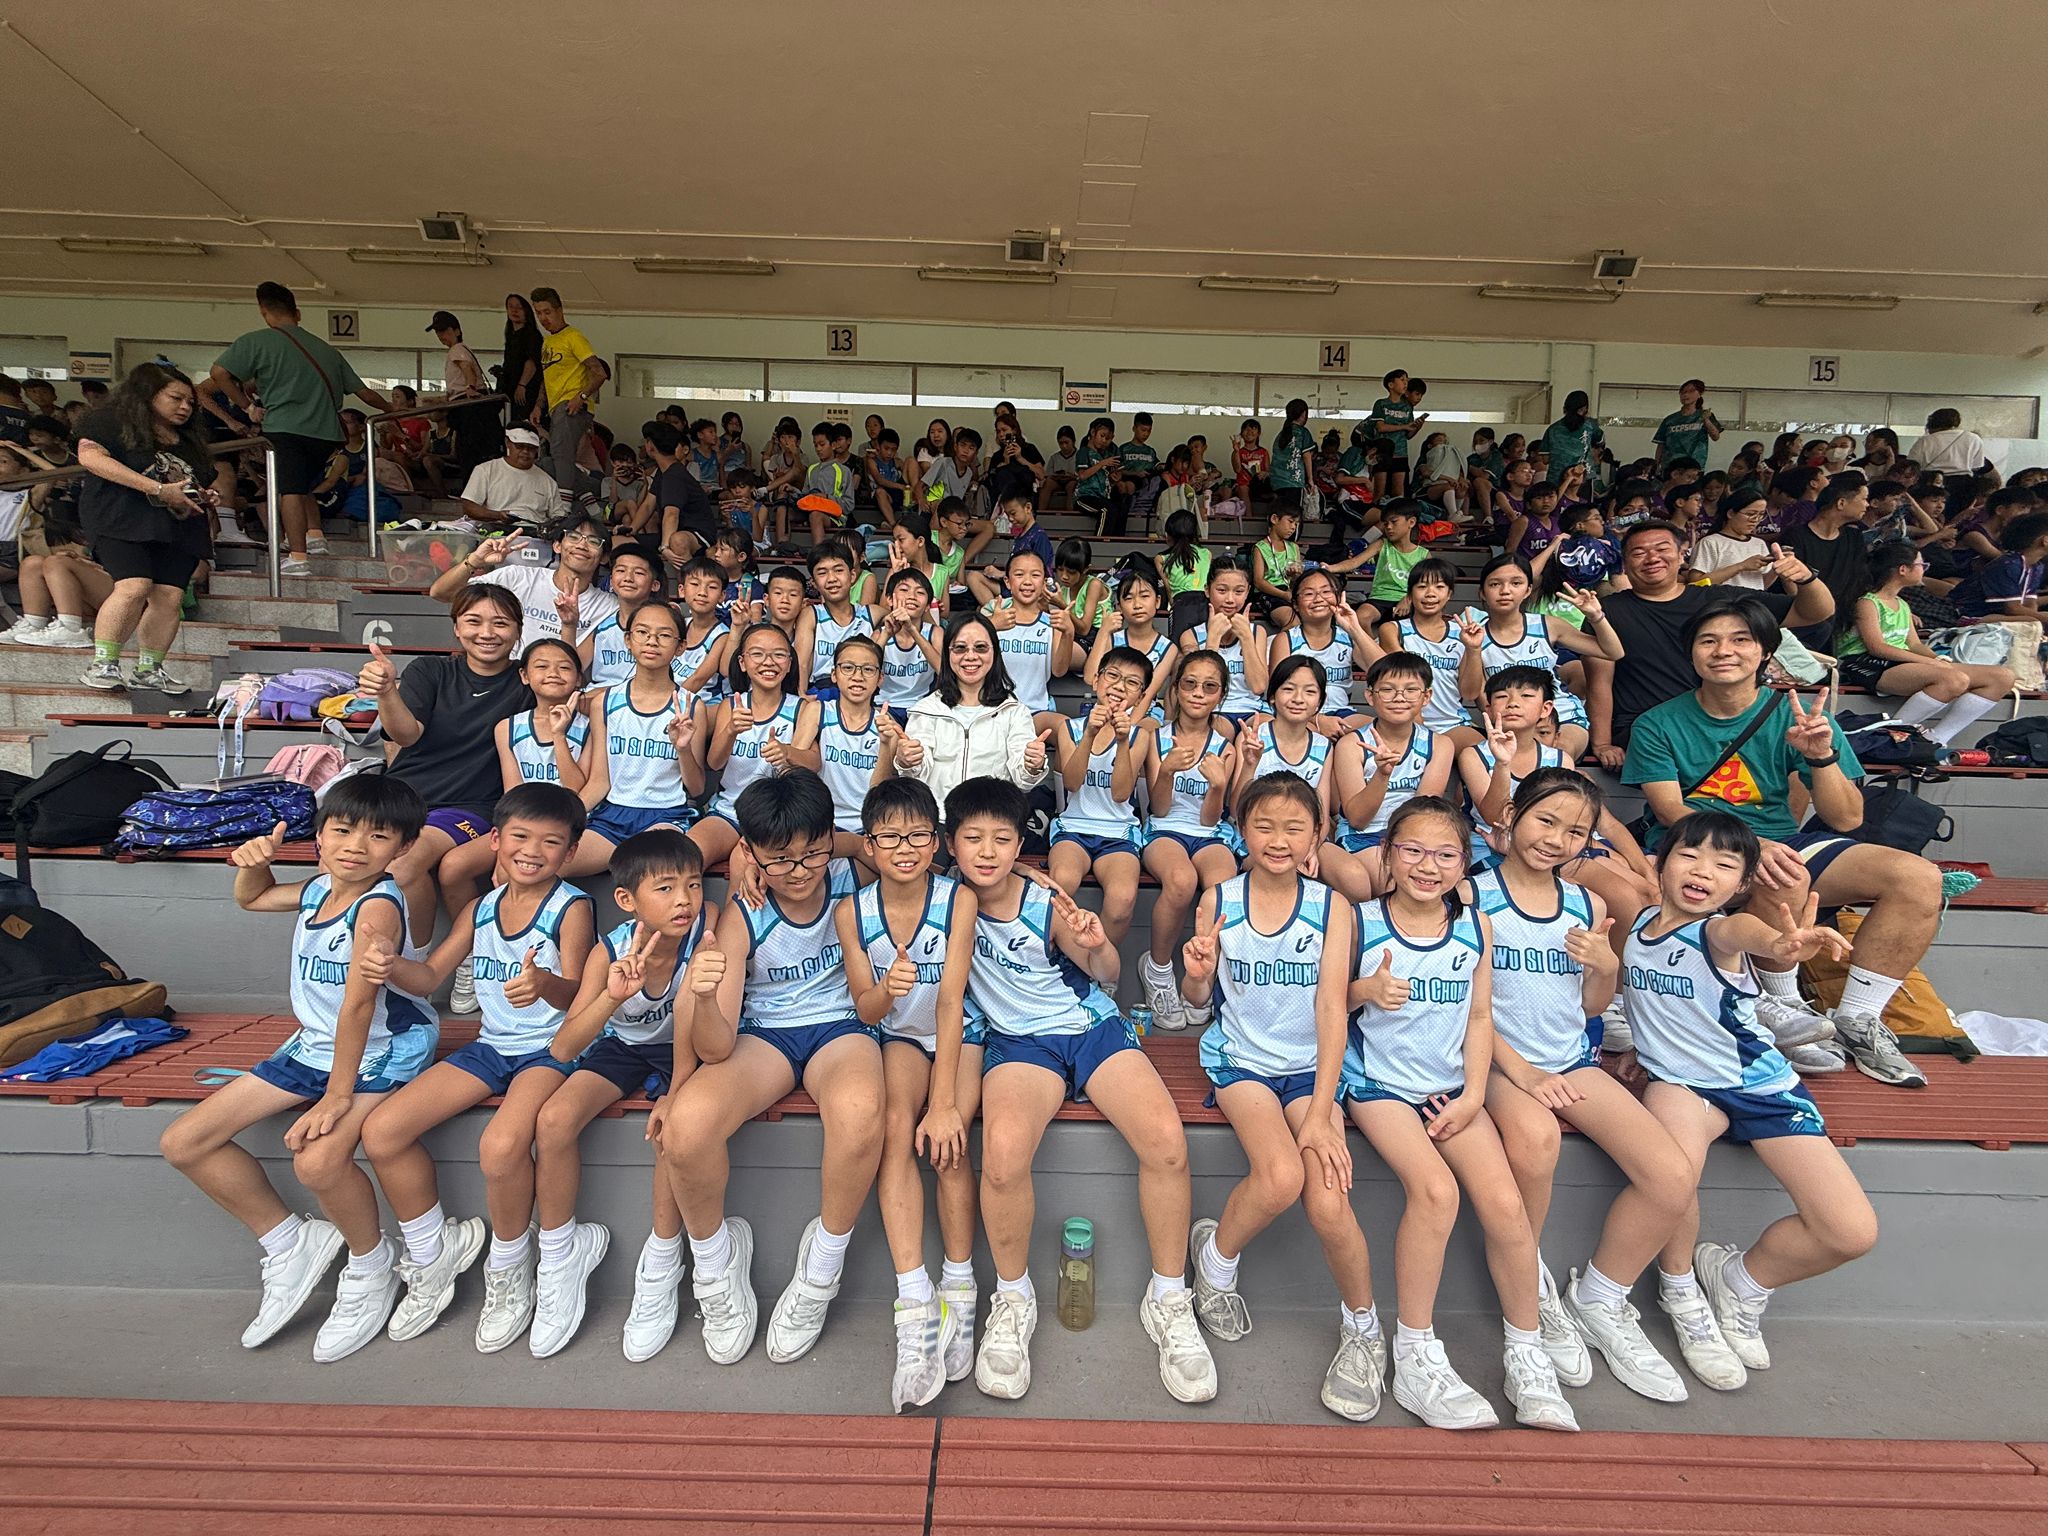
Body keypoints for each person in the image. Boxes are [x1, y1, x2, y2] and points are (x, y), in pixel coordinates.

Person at [945, 775, 1218, 1404]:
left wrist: (1098, 949)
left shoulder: (1047, 900)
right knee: (1003, 1157)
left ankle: (1169, 1297)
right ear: (950, 844)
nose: (987, 851)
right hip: (1020, 1043)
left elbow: (1107, 973)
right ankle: (1013, 1299)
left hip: (1088, 1026)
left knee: (1167, 1142)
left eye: (1002, 839)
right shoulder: (943, 898)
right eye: (973, 838)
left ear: (1021, 845)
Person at [158, 777, 436, 1362]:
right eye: (342, 830)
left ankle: (371, 1265)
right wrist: (253, 864)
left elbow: (360, 1006)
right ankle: (290, 1241)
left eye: (378, 836)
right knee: (185, 1142)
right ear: (319, 835)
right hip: (314, 1044)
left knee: (318, 1161)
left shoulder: (377, 907)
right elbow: (254, 899)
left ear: (404, 847)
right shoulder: (318, 888)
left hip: (384, 1046)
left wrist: (336, 1097)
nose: (355, 846)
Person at [1623, 598, 1941, 1087]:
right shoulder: (1658, 723)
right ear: (1691, 653)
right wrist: (1752, 847)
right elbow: (1671, 811)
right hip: (1694, 845)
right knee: (1783, 870)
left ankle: (1858, 1018)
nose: (1723, 651)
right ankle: (1781, 1005)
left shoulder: (1796, 716)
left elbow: (1848, 817)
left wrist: (1820, 756)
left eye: (1740, 640)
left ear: (1766, 652)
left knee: (1918, 878)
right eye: (1709, 641)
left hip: (1783, 839)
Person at [1342, 796, 1578, 1431]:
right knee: (1437, 1192)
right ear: (1387, 855)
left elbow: (1479, 1017)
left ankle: (1525, 1350)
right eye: (1413, 851)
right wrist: (1365, 990)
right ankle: (1416, 1350)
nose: (1429, 866)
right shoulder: (1360, 919)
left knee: (1506, 1207)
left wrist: (1475, 1094)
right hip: (1378, 1085)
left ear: (1465, 862)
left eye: (1446, 854)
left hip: (1450, 1086)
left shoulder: (1475, 926)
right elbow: (1328, 1003)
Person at [1617, 811, 1878, 1382]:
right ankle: (1681, 1291)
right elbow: (1651, 999)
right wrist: (1638, 1045)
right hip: (1681, 1084)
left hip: (1760, 1085)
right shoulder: (1635, 926)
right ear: (1660, 864)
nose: (1702, 871)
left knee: (1850, 1231)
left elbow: (1748, 936)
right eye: (1689, 855)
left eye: (1724, 864)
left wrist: (1782, 944)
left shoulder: (1721, 930)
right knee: (1673, 1176)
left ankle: (1740, 1281)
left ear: (1741, 885)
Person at [1470, 770, 1705, 1400]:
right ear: (1511, 815)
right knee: (1536, 1142)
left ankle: (1601, 1295)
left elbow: (1591, 1005)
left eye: (1575, 832)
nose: (1557, 839)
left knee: (1672, 1177)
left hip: (1570, 1059)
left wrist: (1606, 968)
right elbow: (1463, 1008)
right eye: (1545, 820)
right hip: (1494, 1063)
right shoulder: (1470, 897)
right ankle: (1531, 1289)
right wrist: (1522, 1073)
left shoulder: (1588, 905)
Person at [658, 769, 887, 1366]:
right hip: (765, 1035)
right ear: (751, 851)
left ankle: (821, 1270)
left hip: (842, 1026)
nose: (800, 871)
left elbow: (897, 849)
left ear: (830, 838)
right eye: (779, 859)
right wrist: (704, 997)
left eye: (812, 852)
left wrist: (821, 847)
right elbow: (715, 1048)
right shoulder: (745, 909)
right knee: (685, 1129)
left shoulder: (852, 874)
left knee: (862, 1113)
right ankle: (715, 1266)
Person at [354, 784, 593, 1354]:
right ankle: (433, 1251)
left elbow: (580, 996)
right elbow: (429, 977)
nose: (532, 851)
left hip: (552, 1048)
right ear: (495, 840)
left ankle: (509, 1265)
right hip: (492, 1045)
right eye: (520, 837)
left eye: (551, 842)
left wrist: (544, 984)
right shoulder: (481, 907)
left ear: (570, 852)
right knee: (382, 1131)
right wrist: (387, 963)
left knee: (500, 1146)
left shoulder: (572, 907)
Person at [1181, 772, 1379, 1419]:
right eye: (1264, 825)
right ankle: (1215, 1266)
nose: (1278, 839)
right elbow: (1195, 999)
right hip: (1241, 1060)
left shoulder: (1332, 907)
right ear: (1242, 830)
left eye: (1295, 827)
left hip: (1311, 1069)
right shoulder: (1219, 898)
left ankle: (1364, 1329)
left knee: (1328, 1200)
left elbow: (1331, 1008)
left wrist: (1321, 1114)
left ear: (1317, 835)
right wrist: (1197, 975)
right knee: (1280, 1178)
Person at [529, 829, 712, 1360]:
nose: (684, 900)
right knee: (553, 1119)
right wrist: (611, 997)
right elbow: (565, 1047)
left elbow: (694, 1030)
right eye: (665, 888)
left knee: (670, 1132)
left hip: (689, 1049)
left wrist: (675, 1093)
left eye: (693, 885)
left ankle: (662, 1262)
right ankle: (560, 1255)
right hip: (626, 1046)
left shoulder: (706, 935)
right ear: (627, 900)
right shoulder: (608, 949)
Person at [840, 777, 985, 1410]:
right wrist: (888, 989)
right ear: (869, 845)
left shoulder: (958, 899)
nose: (905, 848)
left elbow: (951, 1001)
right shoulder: (852, 911)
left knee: (948, 1142)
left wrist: (945, 1101)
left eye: (918, 836)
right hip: (900, 1033)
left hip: (959, 1034)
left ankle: (960, 1287)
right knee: (897, 1131)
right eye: (891, 837)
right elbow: (866, 1008)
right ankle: (917, 1300)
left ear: (937, 842)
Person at [357, 585, 533, 946]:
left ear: (518, 631)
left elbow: (567, 674)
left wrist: (568, 626)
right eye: (474, 621)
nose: (487, 633)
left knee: (402, 863)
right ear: (456, 627)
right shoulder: (431, 670)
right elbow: (406, 734)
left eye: (501, 623)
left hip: (470, 807)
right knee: (341, 859)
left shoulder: (526, 680)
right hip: (403, 796)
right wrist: (387, 693)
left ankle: (423, 963)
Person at [1587, 520, 1832, 760]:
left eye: (1662, 549)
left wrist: (1806, 579)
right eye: (1639, 553)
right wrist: (1602, 743)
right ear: (1625, 563)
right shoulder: (1605, 612)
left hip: (1726, 723)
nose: (1652, 558)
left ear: (1682, 556)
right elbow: (1599, 683)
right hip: (1645, 729)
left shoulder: (1719, 599)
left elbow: (1813, 613)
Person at [209, 282, 391, 576]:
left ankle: (298, 556)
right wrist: (391, 411)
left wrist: (247, 406)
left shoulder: (257, 342)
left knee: (289, 490)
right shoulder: (326, 349)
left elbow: (218, 373)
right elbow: (365, 393)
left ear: (264, 312)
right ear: (298, 313)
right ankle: (315, 536)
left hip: (285, 428)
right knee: (303, 483)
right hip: (327, 434)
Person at [70, 361, 214, 693]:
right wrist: (156, 489)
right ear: (148, 393)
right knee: (133, 586)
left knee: (170, 596)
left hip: (178, 525)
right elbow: (91, 458)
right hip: (121, 517)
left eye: (190, 402)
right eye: (176, 398)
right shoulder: (108, 421)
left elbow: (196, 479)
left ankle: (150, 668)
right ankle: (104, 663)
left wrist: (204, 494)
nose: (185, 407)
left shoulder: (189, 440)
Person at [563, 600, 705, 878]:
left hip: (666, 815)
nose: (652, 641)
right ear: (628, 640)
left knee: (654, 873)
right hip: (613, 816)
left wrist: (683, 749)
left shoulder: (690, 706)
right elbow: (600, 781)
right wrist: (566, 820)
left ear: (680, 647)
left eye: (664, 635)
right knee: (551, 863)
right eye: (642, 632)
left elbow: (696, 788)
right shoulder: (604, 702)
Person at [1137, 650, 1241, 1029]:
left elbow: (1211, 818)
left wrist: (1218, 787)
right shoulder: (1156, 737)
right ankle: (1158, 968)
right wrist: (1165, 771)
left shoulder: (1225, 747)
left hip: (1207, 832)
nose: (1198, 693)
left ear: (1221, 695)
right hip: (1165, 830)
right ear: (1177, 689)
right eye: (1190, 684)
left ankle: (1201, 978)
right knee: (1181, 880)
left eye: (1209, 687)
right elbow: (1160, 808)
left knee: (1224, 887)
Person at [1838, 540, 2015, 743]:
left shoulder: (1902, 604)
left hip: (1900, 662)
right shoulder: (1867, 602)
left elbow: (1914, 645)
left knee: (2002, 677)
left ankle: (1936, 739)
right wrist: (1930, 663)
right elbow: (1877, 647)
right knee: (1954, 679)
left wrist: (1937, 659)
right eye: (1922, 565)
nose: (1924, 569)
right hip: (1867, 664)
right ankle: (1889, 735)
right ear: (1903, 569)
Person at [895, 611, 1053, 805]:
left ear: (995, 652)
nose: (970, 656)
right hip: (939, 817)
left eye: (980, 648)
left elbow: (1023, 781)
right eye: (960, 648)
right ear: (947, 653)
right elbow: (915, 777)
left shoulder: (1014, 711)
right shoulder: (926, 710)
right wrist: (907, 761)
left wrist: (1032, 766)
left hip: (993, 817)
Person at [686, 622, 803, 874]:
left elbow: (814, 762)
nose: (768, 662)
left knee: (745, 864)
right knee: (686, 857)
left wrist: (788, 753)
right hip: (729, 811)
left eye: (779, 654)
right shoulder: (731, 705)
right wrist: (730, 730)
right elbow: (714, 762)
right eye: (757, 654)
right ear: (742, 662)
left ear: (789, 663)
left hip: (778, 817)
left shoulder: (801, 708)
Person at [432, 509, 619, 654]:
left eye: (594, 541)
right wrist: (474, 560)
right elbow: (440, 593)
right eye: (573, 537)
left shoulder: (609, 607)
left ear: (604, 557)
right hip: (507, 677)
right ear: (557, 546)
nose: (582, 545)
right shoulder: (517, 577)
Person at [1785, 475, 1875, 652]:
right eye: (1864, 499)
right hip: (1806, 618)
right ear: (1841, 503)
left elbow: (1861, 578)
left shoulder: (1854, 537)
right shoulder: (1795, 537)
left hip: (1841, 618)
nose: (1867, 505)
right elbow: (1791, 585)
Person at [531, 288, 603, 497]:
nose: (543, 318)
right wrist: (538, 405)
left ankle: (564, 504)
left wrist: (581, 397)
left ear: (559, 310)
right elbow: (547, 377)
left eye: (547, 312)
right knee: (555, 458)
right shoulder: (548, 341)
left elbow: (599, 373)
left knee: (561, 456)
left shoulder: (574, 337)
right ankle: (588, 494)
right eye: (538, 313)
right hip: (555, 406)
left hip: (570, 404)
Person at [426, 310, 499, 476]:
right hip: (465, 402)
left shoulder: (457, 349)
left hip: (468, 405)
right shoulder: (460, 349)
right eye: (438, 332)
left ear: (457, 331)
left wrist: (470, 388)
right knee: (469, 451)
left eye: (445, 331)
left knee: (469, 451)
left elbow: (466, 368)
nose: (441, 336)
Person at [452, 426, 559, 529]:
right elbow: (469, 507)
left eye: (531, 448)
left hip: (535, 532)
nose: (525, 451)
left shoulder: (548, 481)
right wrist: (498, 515)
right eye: (520, 446)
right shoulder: (486, 470)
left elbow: (558, 516)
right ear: (507, 443)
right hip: (497, 532)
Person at [1951, 509, 2048, 619]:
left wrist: (2036, 618)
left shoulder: (2036, 566)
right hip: (1964, 614)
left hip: (1996, 616)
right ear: (2045, 540)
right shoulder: (2010, 564)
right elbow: (2012, 608)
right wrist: (2040, 618)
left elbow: (2029, 602)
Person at [1653, 381, 1721, 470]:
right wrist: (1656, 466)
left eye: (1691, 391)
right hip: (1670, 467)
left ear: (1700, 394)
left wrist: (1706, 420)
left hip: (1694, 466)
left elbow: (1715, 437)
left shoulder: (1705, 415)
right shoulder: (1669, 419)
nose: (1685, 394)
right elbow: (1661, 444)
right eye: (1683, 392)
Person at [1908, 408, 1992, 479]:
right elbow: (1977, 466)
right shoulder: (1974, 438)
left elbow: (1913, 464)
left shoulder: (1924, 441)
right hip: (1964, 483)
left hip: (1932, 480)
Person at [1538, 393, 1604, 482]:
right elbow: (1600, 442)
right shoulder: (1591, 425)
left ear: (1565, 408)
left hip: (1556, 478)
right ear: (1584, 408)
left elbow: (1545, 459)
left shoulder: (1552, 429)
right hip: (1583, 477)